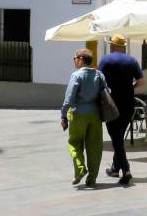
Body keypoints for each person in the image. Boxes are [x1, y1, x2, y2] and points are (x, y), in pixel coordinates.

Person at [98, 34, 142, 185]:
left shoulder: (105, 60)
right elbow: (141, 81)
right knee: (119, 136)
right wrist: (131, 87)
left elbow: (98, 80)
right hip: (128, 104)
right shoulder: (132, 60)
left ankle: (126, 170)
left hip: (111, 104)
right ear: (123, 46)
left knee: (115, 137)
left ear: (112, 46)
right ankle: (115, 168)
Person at [61, 48, 105, 188]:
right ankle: (92, 178)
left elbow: (68, 99)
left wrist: (63, 114)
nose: (74, 61)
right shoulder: (99, 74)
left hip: (78, 113)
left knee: (74, 142)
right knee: (95, 147)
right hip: (95, 115)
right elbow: (107, 93)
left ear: (80, 59)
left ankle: (80, 169)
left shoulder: (76, 75)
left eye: (74, 58)